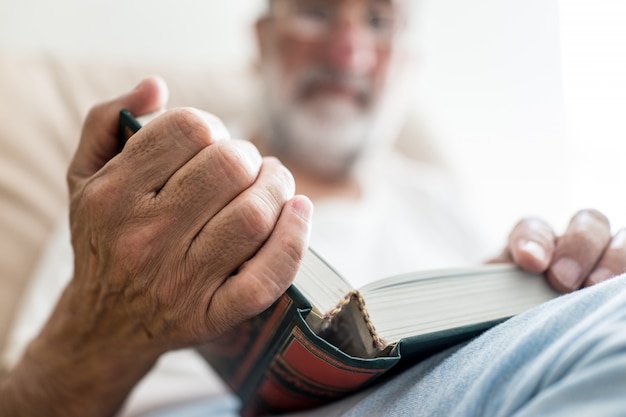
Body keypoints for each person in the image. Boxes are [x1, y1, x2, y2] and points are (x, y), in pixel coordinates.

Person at [2, 0, 626, 416]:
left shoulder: (436, 202)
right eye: (318, 11)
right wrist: (105, 325)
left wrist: (540, 290)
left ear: (406, 63)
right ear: (262, 39)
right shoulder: (148, 186)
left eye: (378, 22)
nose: (348, 51)